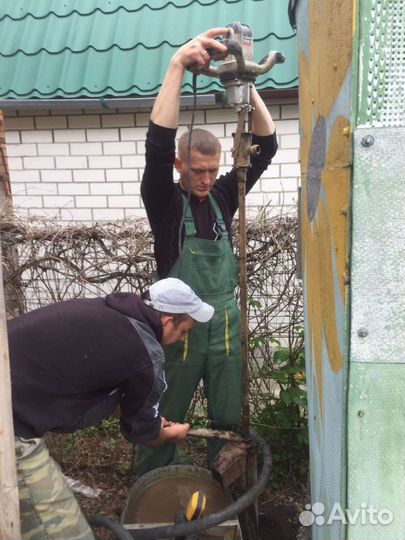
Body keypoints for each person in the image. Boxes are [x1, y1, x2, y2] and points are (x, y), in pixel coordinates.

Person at [138, 27, 278, 478]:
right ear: (182, 166)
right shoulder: (163, 202)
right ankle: (152, 492)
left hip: (225, 326)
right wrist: (178, 66)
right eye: (198, 170)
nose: (205, 178)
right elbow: (157, 146)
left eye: (212, 170)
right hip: (178, 328)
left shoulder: (224, 196)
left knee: (229, 423)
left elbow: (268, 144)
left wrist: (246, 84)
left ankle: (225, 491)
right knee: (164, 418)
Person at [8, 277, 214, 540]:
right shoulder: (146, 353)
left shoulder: (110, 314)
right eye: (184, 331)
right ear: (166, 321)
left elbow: (94, 382)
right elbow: (143, 434)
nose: (183, 339)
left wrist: (141, 415)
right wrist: (169, 434)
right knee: (67, 532)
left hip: (11, 394)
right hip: (9, 423)